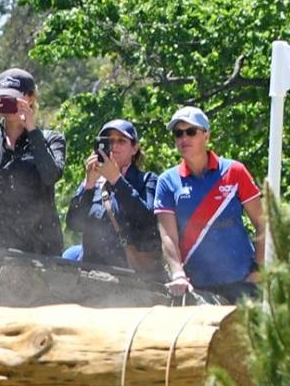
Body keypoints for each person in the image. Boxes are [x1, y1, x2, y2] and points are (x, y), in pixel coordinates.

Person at [153, 106, 268, 301]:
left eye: (190, 131)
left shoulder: (235, 171)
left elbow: (263, 222)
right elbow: (168, 236)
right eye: (178, 133)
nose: (184, 138)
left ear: (206, 135)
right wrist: (177, 273)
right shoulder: (167, 181)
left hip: (243, 283)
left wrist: (258, 270)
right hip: (195, 287)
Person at [0, 68, 66, 256]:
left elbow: (50, 176)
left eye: (14, 99)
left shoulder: (51, 139)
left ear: (31, 98)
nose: (8, 105)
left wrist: (32, 129)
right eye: (3, 99)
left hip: (39, 248)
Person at [65, 119, 161, 272]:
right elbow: (73, 224)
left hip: (129, 278)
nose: (114, 146)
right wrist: (88, 185)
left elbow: (148, 221)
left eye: (121, 141)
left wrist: (116, 180)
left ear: (134, 148)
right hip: (89, 273)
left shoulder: (148, 180)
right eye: (110, 141)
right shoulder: (94, 182)